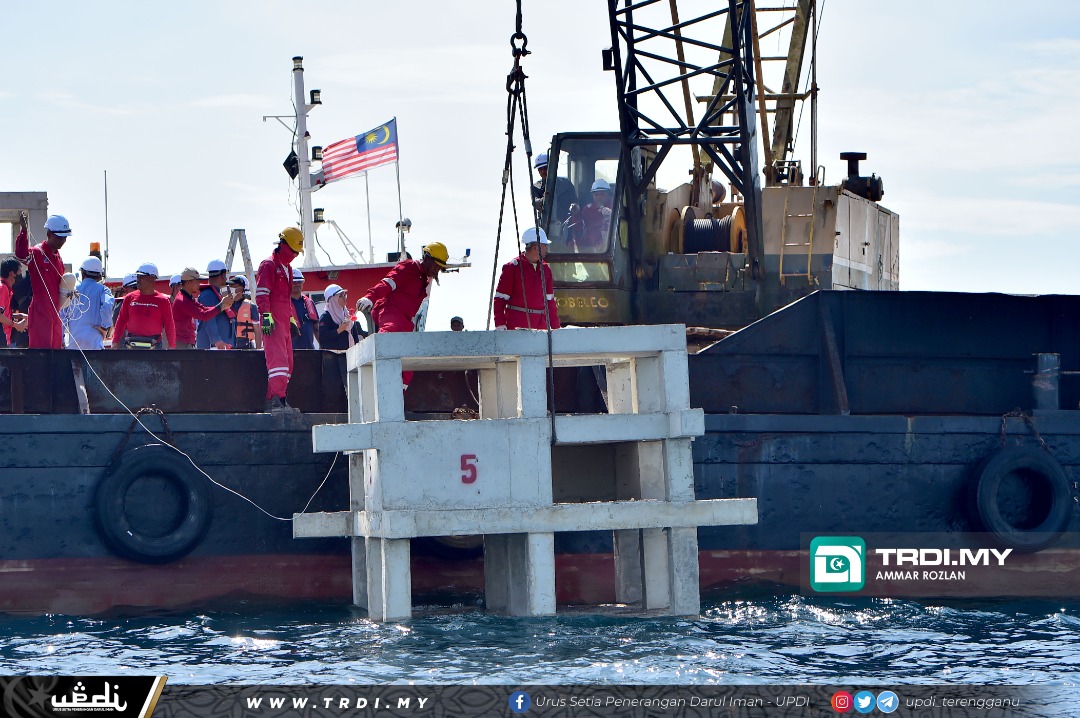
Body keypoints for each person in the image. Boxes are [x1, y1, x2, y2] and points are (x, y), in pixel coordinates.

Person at [356, 242, 448, 391]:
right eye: (436, 266)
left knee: (409, 362)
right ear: (427, 259)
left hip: (405, 321)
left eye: (439, 268)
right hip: (388, 311)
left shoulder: (423, 278)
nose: (437, 270)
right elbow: (387, 283)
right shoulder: (409, 267)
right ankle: (380, 371)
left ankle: (398, 396)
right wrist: (370, 297)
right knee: (390, 333)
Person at [257, 227, 304, 413]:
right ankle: (278, 401)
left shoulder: (288, 269)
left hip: (284, 320)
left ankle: (276, 400)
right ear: (283, 244)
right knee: (278, 362)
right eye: (292, 251)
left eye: (297, 252)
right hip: (274, 321)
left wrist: (292, 320)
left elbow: (286, 299)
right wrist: (266, 317)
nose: (294, 255)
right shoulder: (268, 265)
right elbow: (261, 295)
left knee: (288, 363)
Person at [14, 212, 69, 348]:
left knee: (56, 352)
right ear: (49, 234)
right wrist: (24, 231)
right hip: (40, 310)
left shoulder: (59, 258)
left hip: (55, 312)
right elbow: (21, 254)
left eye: (65, 237)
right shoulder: (38, 252)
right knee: (41, 352)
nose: (63, 241)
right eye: (59, 237)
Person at [493, 228, 561, 331]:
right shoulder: (512, 268)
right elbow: (500, 300)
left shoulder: (546, 269)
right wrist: (500, 324)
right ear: (535, 247)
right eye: (544, 246)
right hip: (516, 329)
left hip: (541, 329)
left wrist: (556, 328)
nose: (546, 249)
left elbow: (550, 302)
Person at [112, 263, 176, 349]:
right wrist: (115, 342)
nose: (138, 280)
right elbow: (121, 321)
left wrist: (172, 346)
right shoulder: (129, 298)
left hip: (154, 346)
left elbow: (169, 325)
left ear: (152, 279)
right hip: (132, 346)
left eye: (141, 277)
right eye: (137, 277)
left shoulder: (163, 301)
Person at [173, 267, 234, 349]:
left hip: (185, 342)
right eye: (197, 281)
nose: (199, 283)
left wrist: (223, 306)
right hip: (181, 344)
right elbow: (204, 315)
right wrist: (222, 305)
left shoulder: (187, 297)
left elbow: (204, 308)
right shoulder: (183, 300)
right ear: (188, 282)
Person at [318, 284, 366, 385]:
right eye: (341, 296)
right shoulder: (326, 317)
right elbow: (322, 337)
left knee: (352, 385)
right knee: (337, 388)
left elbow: (354, 336)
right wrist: (339, 330)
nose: (344, 298)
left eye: (345, 295)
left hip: (350, 356)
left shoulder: (347, 314)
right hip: (333, 360)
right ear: (332, 299)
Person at [63, 256, 114, 350]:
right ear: (99, 275)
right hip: (94, 347)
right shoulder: (103, 290)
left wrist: (61, 339)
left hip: (74, 346)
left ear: (82, 272)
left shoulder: (72, 290)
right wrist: (104, 327)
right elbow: (107, 305)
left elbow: (62, 315)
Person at [566, 178, 614, 253]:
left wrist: (610, 216)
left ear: (608, 195)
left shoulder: (614, 209)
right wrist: (577, 213)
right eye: (596, 194)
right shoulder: (587, 209)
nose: (599, 197)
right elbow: (579, 227)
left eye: (602, 194)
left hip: (607, 245)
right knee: (570, 245)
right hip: (588, 242)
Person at [196, 259, 234, 349]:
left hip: (219, 346)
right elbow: (208, 318)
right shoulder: (208, 295)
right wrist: (216, 340)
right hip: (213, 347)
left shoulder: (213, 294)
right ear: (223, 275)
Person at [531, 152, 577, 223]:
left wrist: (574, 207)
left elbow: (575, 201)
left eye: (545, 168)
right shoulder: (535, 187)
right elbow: (535, 202)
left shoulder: (566, 183)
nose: (543, 171)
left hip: (566, 224)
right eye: (540, 169)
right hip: (547, 227)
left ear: (552, 167)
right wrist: (542, 200)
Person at [0, 258, 28, 347]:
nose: (21, 275)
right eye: (19, 271)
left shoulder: (7, 289)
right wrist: (15, 325)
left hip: (4, 338)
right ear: (12, 273)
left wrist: (19, 315)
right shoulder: (2, 288)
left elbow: (3, 314)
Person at [290, 268, 318, 350]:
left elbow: (316, 328)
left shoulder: (309, 302)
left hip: (309, 351)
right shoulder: (283, 304)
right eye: (294, 282)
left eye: (299, 282)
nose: (297, 284)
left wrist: (322, 347)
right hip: (290, 352)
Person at [229, 275, 260, 349]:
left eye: (233, 286)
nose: (230, 288)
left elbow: (257, 330)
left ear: (240, 288)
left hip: (246, 345)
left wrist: (259, 351)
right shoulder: (226, 305)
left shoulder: (251, 306)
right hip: (229, 346)